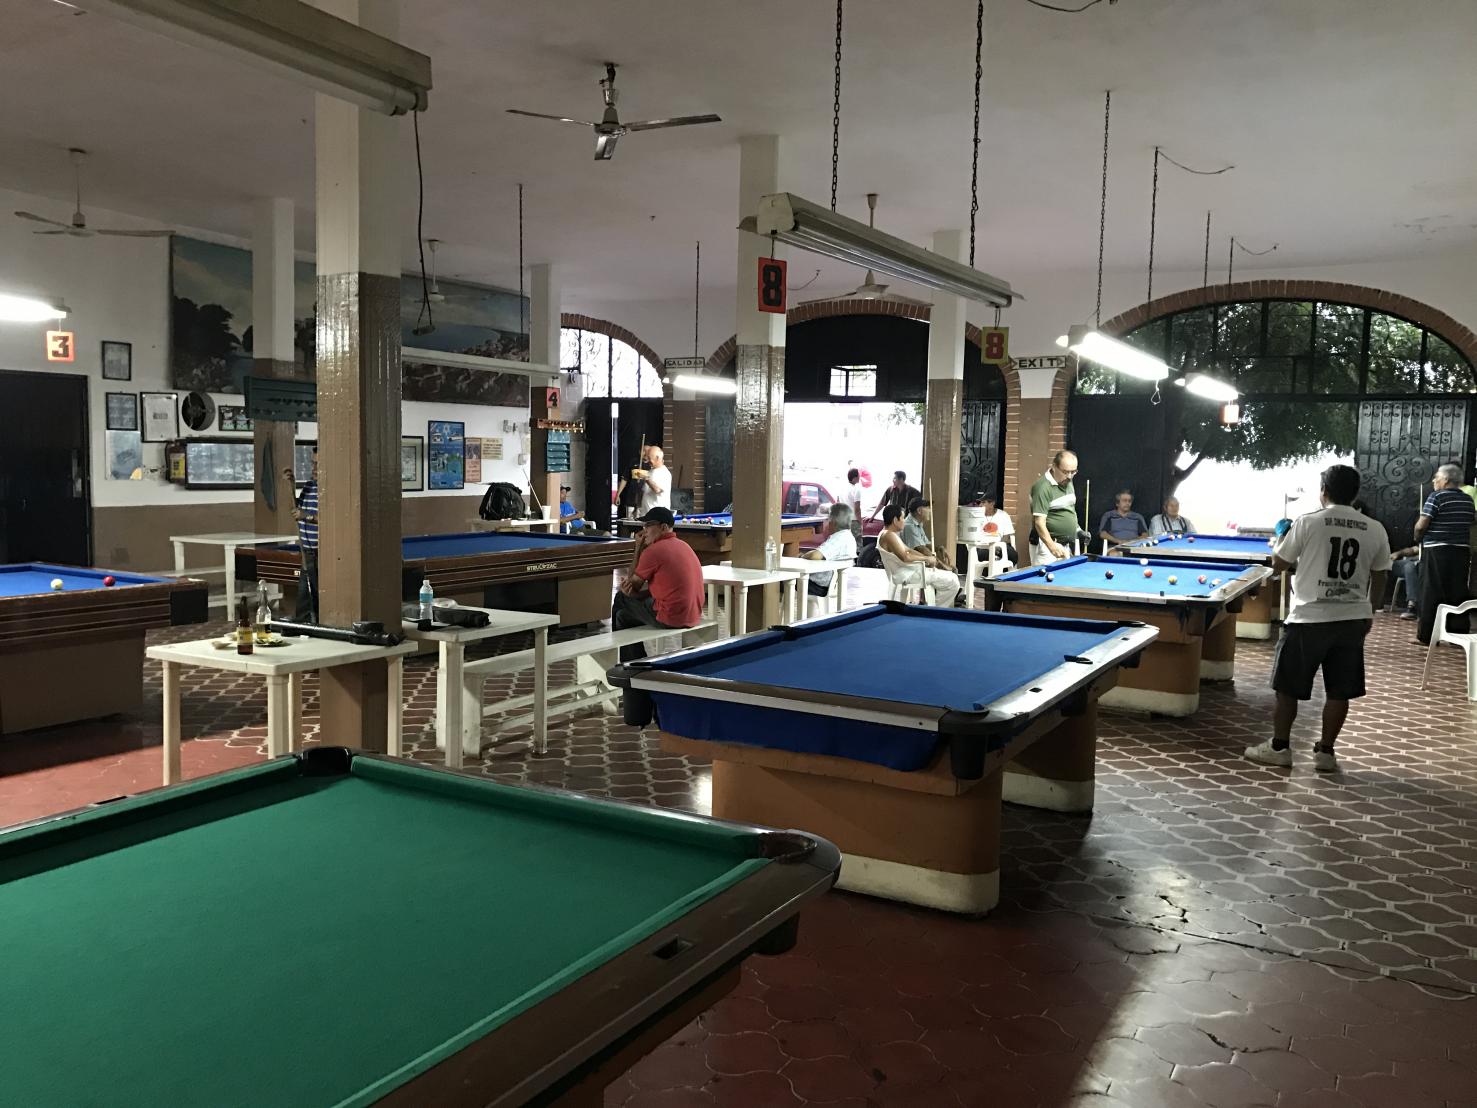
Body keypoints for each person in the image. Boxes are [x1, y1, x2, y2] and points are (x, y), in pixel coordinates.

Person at [1244, 464, 1390, 773]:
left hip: (1308, 618)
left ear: (1323, 490)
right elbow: (1380, 575)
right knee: (1340, 689)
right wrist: (1370, 610)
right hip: (1352, 619)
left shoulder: (1308, 522)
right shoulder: (1375, 528)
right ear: (1355, 494)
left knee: (1287, 687)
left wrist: (1279, 542)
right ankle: (1326, 753)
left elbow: (1279, 563)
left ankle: (1280, 748)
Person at [612, 506, 703, 661]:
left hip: (672, 616)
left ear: (663, 527)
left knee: (621, 599)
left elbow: (632, 585)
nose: (644, 530)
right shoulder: (684, 545)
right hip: (694, 613)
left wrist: (638, 548)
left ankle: (629, 664)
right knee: (623, 616)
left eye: (648, 525)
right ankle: (635, 662)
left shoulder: (653, 551)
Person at [1413, 462, 1475, 645]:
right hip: (1461, 551)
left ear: (1446, 480)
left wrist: (1417, 538)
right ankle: (1458, 633)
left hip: (1437, 550)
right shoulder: (1467, 500)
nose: (1434, 481)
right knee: (1457, 591)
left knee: (1431, 591)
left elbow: (1421, 525)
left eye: (1437, 477)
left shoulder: (1436, 497)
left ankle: (1426, 636)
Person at [878, 504, 960, 607]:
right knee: (953, 581)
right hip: (907, 574)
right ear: (895, 520)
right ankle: (936, 610)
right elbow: (906, 556)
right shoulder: (889, 535)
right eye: (902, 518)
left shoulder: (888, 534)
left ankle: (935, 609)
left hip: (907, 571)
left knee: (951, 578)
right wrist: (926, 559)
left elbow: (908, 550)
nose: (904, 521)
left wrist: (929, 558)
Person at [280, 448, 318, 623]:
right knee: (304, 599)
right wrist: (291, 485)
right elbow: (296, 509)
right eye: (313, 463)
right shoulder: (310, 486)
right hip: (307, 553)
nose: (314, 468)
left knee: (315, 598)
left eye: (318, 464)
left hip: (322, 554)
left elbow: (332, 520)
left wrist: (307, 516)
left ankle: (316, 628)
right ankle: (302, 629)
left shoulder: (331, 489)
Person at [1029, 450, 1081, 564]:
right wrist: (1052, 547)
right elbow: (1039, 523)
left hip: (1065, 546)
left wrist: (1078, 530)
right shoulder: (1043, 487)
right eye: (1065, 472)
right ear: (1054, 466)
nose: (1070, 476)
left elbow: (1069, 510)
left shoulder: (1067, 482)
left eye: (1073, 472)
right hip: (1046, 547)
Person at [802, 502, 858, 607]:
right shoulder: (848, 537)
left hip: (819, 585)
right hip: (830, 585)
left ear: (833, 522)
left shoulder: (839, 538)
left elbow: (815, 555)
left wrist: (802, 556)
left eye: (828, 519)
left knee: (779, 583)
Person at [902, 498, 953, 570]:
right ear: (919, 511)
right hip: (910, 567)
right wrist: (943, 566)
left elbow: (926, 544)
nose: (930, 511)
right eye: (928, 508)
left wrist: (939, 548)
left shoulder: (917, 524)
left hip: (918, 564)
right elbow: (922, 550)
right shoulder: (909, 526)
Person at [974, 491, 1016, 564]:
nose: (980, 505)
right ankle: (996, 554)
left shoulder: (1003, 515)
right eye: (979, 503)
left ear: (992, 503)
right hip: (982, 548)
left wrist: (998, 547)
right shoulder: (976, 516)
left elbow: (1006, 537)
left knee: (1013, 555)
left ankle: (997, 553)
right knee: (980, 554)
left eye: (983, 502)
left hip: (999, 547)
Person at [633, 445, 672, 515]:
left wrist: (646, 478)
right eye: (647, 457)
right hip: (646, 514)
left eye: (650, 458)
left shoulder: (664, 473)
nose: (648, 460)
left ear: (657, 458)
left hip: (658, 515)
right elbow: (645, 493)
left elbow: (657, 490)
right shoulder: (651, 471)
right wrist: (637, 508)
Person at [1390, 543, 1420, 619]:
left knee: (1410, 566)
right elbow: (1415, 549)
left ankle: (1412, 606)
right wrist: (1398, 553)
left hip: (1419, 564)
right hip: (1407, 561)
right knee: (1408, 566)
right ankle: (1376, 602)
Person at [845, 467, 864, 543]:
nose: (859, 477)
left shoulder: (841, 489)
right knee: (857, 544)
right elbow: (857, 509)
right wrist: (860, 522)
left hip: (844, 520)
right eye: (858, 476)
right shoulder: (856, 490)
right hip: (854, 521)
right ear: (854, 478)